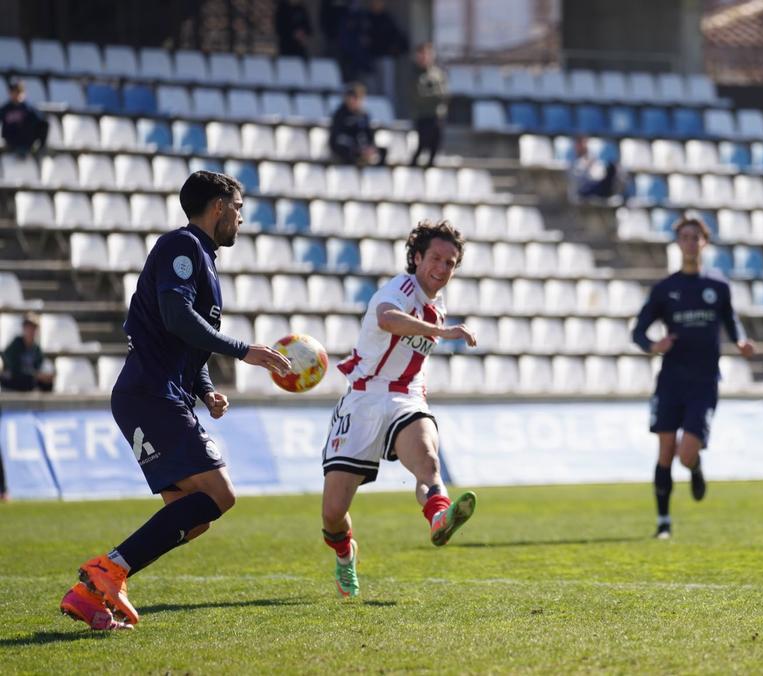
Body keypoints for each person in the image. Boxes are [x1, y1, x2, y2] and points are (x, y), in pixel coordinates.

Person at [58, 171, 291, 631]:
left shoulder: (203, 257)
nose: (242, 220)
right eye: (239, 209)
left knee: (193, 516)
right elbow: (176, 316)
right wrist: (246, 351)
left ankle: (88, 593)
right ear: (219, 207)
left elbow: (186, 340)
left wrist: (205, 389)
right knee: (219, 495)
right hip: (150, 394)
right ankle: (109, 569)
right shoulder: (182, 246)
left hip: (161, 396)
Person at [320, 220, 479, 597]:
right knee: (332, 512)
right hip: (363, 398)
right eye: (436, 259)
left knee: (428, 460)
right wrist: (441, 333)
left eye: (450, 263)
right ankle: (345, 554)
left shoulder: (437, 304)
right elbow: (387, 319)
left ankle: (439, 516)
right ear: (417, 257)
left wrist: (437, 328)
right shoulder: (400, 287)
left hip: (406, 397)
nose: (442, 269)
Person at [631, 217, 755, 540]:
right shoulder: (665, 289)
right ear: (677, 243)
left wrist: (740, 340)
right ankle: (663, 522)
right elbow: (638, 331)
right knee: (665, 450)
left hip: (703, 381)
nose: (689, 242)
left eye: (694, 237)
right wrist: (652, 345)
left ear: (704, 242)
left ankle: (695, 468)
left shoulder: (717, 286)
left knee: (686, 453)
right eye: (684, 237)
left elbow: (732, 320)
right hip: (671, 380)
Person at [409, 42, 448, 168]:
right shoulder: (414, 74)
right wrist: (436, 96)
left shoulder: (437, 73)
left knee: (435, 148)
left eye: (427, 54)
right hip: (423, 116)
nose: (424, 57)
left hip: (437, 116)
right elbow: (419, 96)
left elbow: (445, 94)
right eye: (421, 55)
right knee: (421, 147)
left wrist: (435, 95)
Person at [329, 82, 386, 166]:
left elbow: (368, 134)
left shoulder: (364, 115)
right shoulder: (339, 114)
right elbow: (337, 138)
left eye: (358, 98)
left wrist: (370, 147)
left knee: (382, 151)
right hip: (345, 148)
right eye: (353, 97)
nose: (355, 101)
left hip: (361, 148)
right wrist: (356, 148)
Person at [364, 0, 409, 102]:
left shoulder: (387, 19)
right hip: (368, 59)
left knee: (387, 89)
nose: (377, 4)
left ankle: (389, 115)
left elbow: (398, 38)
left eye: (379, 2)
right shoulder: (365, 18)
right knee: (371, 90)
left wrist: (393, 51)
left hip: (385, 58)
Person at [0, 312, 54, 392]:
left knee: (48, 383)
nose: (30, 331)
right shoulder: (16, 344)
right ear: (23, 328)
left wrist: (43, 376)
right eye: (28, 327)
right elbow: (13, 369)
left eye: (33, 328)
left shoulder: (36, 348)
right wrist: (35, 375)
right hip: (15, 380)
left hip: (29, 381)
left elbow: (38, 366)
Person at [1, 78, 49, 155]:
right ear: (10, 93)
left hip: (26, 143)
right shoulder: (5, 109)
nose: (17, 95)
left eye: (19, 92)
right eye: (14, 92)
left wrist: (40, 145)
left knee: (42, 124)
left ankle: (38, 152)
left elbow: (43, 124)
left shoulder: (29, 109)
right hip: (11, 142)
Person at [569, 135, 619, 200]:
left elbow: (599, 174)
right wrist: (586, 168)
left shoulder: (591, 157)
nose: (583, 145)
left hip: (596, 185)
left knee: (611, 168)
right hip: (583, 190)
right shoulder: (573, 161)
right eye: (580, 143)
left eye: (584, 142)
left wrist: (592, 166)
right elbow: (576, 179)